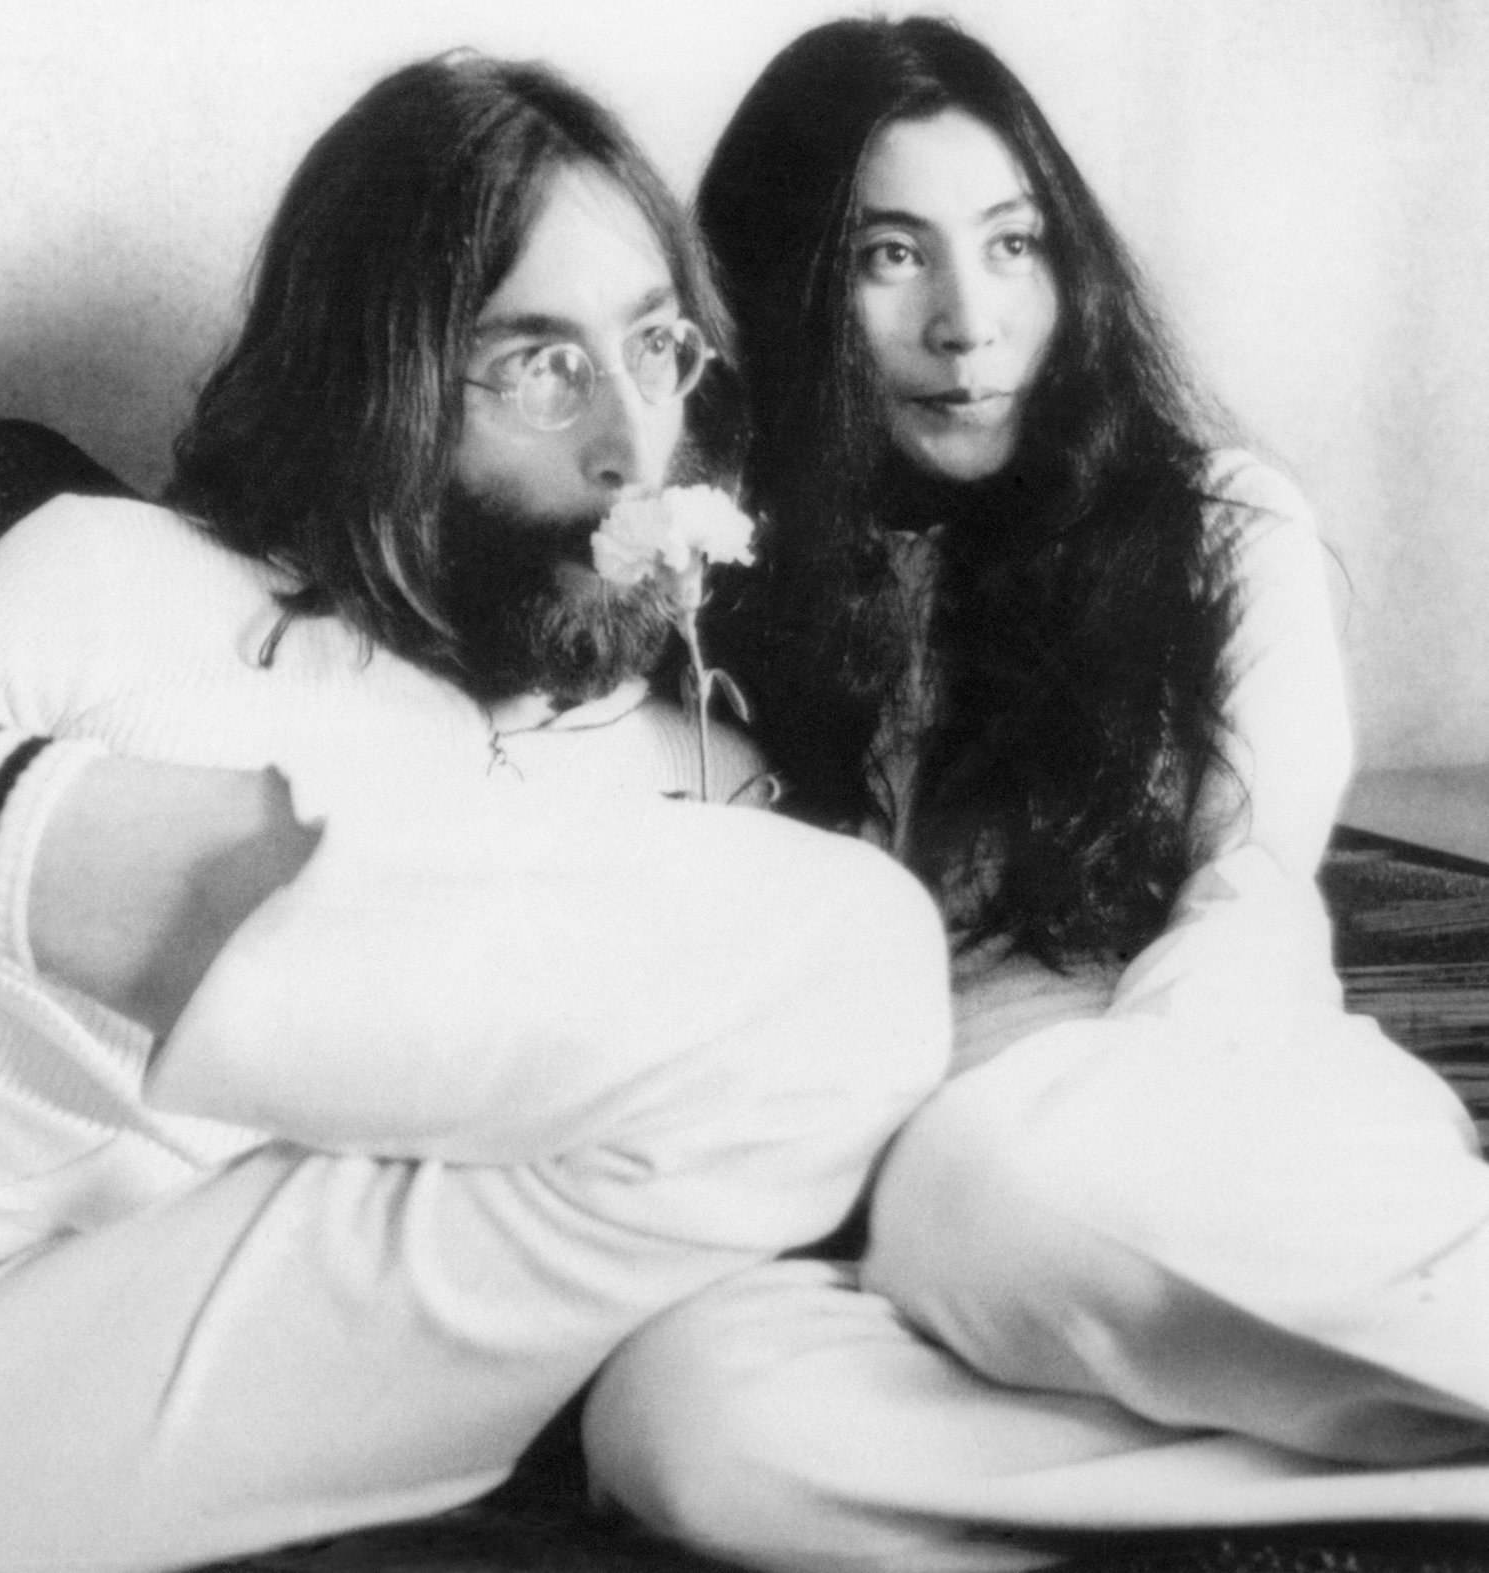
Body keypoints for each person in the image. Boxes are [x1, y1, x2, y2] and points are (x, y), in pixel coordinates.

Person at [0, 51, 951, 1573]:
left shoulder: (715, 788)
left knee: (870, 957)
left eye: (659, 344)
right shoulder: (108, 566)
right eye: (538, 359)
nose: (628, 438)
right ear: (384, 377)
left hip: (131, 1354)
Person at [580, 17, 1489, 1572]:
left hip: (1199, 1116)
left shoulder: (1216, 525)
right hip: (882, 1220)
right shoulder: (696, 579)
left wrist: (1069, 1139)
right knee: (685, 1421)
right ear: (786, 286)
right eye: (889, 257)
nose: (968, 323)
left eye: (1012, 247)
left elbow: (1252, 885)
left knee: (1001, 1177)